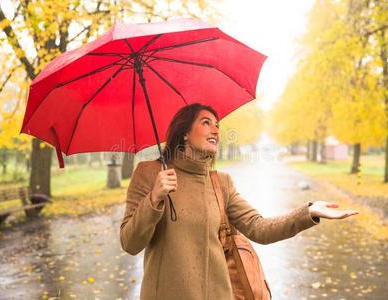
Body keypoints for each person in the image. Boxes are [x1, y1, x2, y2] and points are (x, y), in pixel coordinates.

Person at [119, 103, 359, 300]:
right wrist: (154, 198)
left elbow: (259, 227)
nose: (215, 130)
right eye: (206, 122)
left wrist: (309, 213)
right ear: (184, 132)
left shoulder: (221, 182)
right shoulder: (150, 174)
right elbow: (130, 243)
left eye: (217, 125)